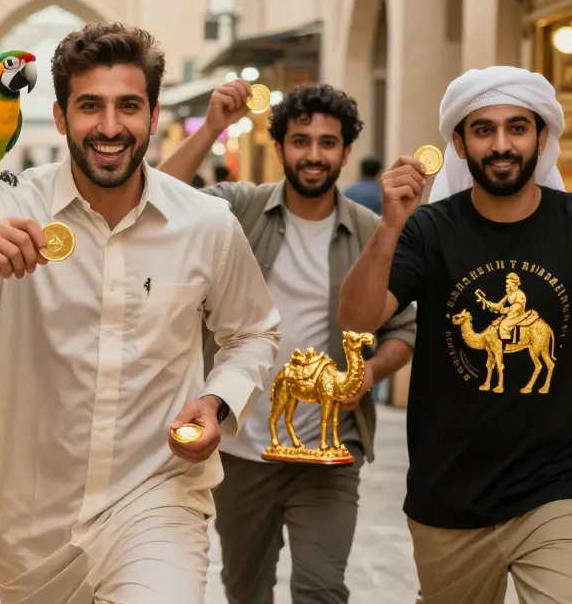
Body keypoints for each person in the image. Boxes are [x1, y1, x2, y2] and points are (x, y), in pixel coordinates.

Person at [0, 22, 282, 604]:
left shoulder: (205, 223)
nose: (111, 127)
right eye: (90, 106)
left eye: (129, 106)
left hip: (159, 497)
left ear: (153, 114)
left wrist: (219, 401)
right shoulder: (4, 204)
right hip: (31, 520)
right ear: (62, 116)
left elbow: (251, 332)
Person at [338, 66, 572, 604]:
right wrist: (391, 226)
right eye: (483, 129)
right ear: (461, 144)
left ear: (542, 136)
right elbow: (358, 318)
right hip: (450, 494)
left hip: (562, 488)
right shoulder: (428, 229)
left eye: (517, 127)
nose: (502, 144)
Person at [160, 81, 416, 604]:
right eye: (301, 141)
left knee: (322, 589)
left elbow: (403, 329)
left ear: (346, 152)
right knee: (245, 590)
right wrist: (211, 128)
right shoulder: (240, 210)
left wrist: (370, 372)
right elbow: (161, 197)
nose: (314, 155)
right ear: (279, 148)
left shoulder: (372, 231)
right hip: (241, 449)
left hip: (330, 451)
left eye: (327, 143)